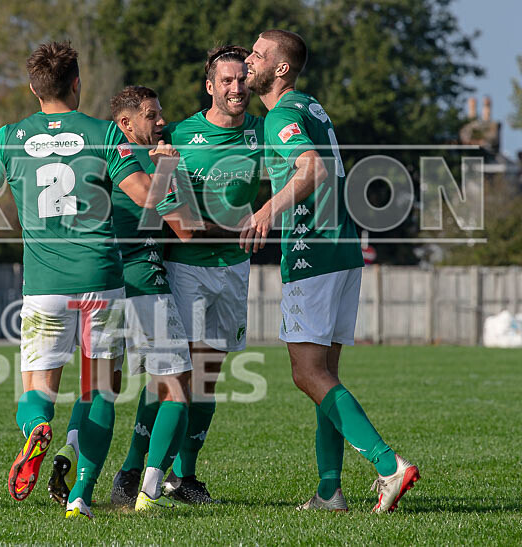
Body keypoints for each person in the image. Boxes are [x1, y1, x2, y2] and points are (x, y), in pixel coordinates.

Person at [0, 42, 175, 520]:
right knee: (99, 391)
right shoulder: (103, 134)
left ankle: (37, 427)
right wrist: (167, 165)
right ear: (77, 83)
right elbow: (148, 198)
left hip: (44, 287)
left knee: (37, 389)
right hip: (101, 280)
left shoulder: (10, 137)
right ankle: (81, 495)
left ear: (34, 89)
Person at [242, 29, 420, 513]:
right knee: (325, 375)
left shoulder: (281, 115)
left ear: (281, 68)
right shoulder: (310, 107)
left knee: (306, 374)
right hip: (342, 250)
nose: (249, 60)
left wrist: (266, 211)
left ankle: (389, 465)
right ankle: (329, 491)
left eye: (258, 54)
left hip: (312, 254)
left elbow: (312, 168)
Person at [47, 86, 193, 513]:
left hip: (102, 282)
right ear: (125, 124)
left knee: (101, 388)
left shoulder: (94, 158)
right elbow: (184, 227)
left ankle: (70, 452)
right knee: (178, 385)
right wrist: (172, 170)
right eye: (151, 114)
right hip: (143, 280)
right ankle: (149, 491)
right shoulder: (144, 163)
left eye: (161, 112)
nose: (161, 121)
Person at [152, 46, 265, 504]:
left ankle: (185, 477)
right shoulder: (180, 134)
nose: (236, 88)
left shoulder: (263, 131)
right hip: (186, 268)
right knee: (176, 377)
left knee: (208, 378)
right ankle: (142, 471)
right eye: (227, 81)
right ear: (210, 86)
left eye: (242, 79)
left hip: (234, 267)